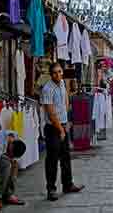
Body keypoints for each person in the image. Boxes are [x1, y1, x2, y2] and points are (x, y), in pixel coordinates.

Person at [41, 62, 85, 201]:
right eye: (55, 72)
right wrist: (60, 128)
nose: (58, 74)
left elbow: (65, 100)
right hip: (53, 128)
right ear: (51, 74)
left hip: (63, 125)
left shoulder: (61, 84)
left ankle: (67, 184)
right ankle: (51, 189)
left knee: (65, 156)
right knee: (52, 159)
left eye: (60, 72)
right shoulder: (47, 89)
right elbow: (50, 113)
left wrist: (66, 120)